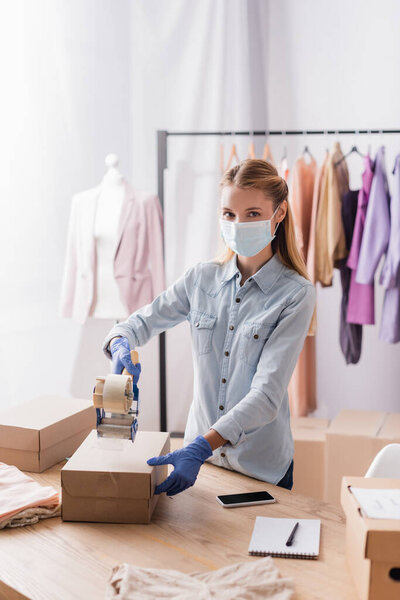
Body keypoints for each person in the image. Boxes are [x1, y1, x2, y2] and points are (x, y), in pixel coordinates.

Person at [102, 159, 316, 497]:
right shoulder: (201, 279)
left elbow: (266, 396)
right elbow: (142, 320)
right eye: (229, 214)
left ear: (280, 213)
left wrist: (202, 446)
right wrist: (120, 341)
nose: (238, 224)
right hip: (201, 466)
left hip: (259, 468)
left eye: (252, 214)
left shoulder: (296, 294)